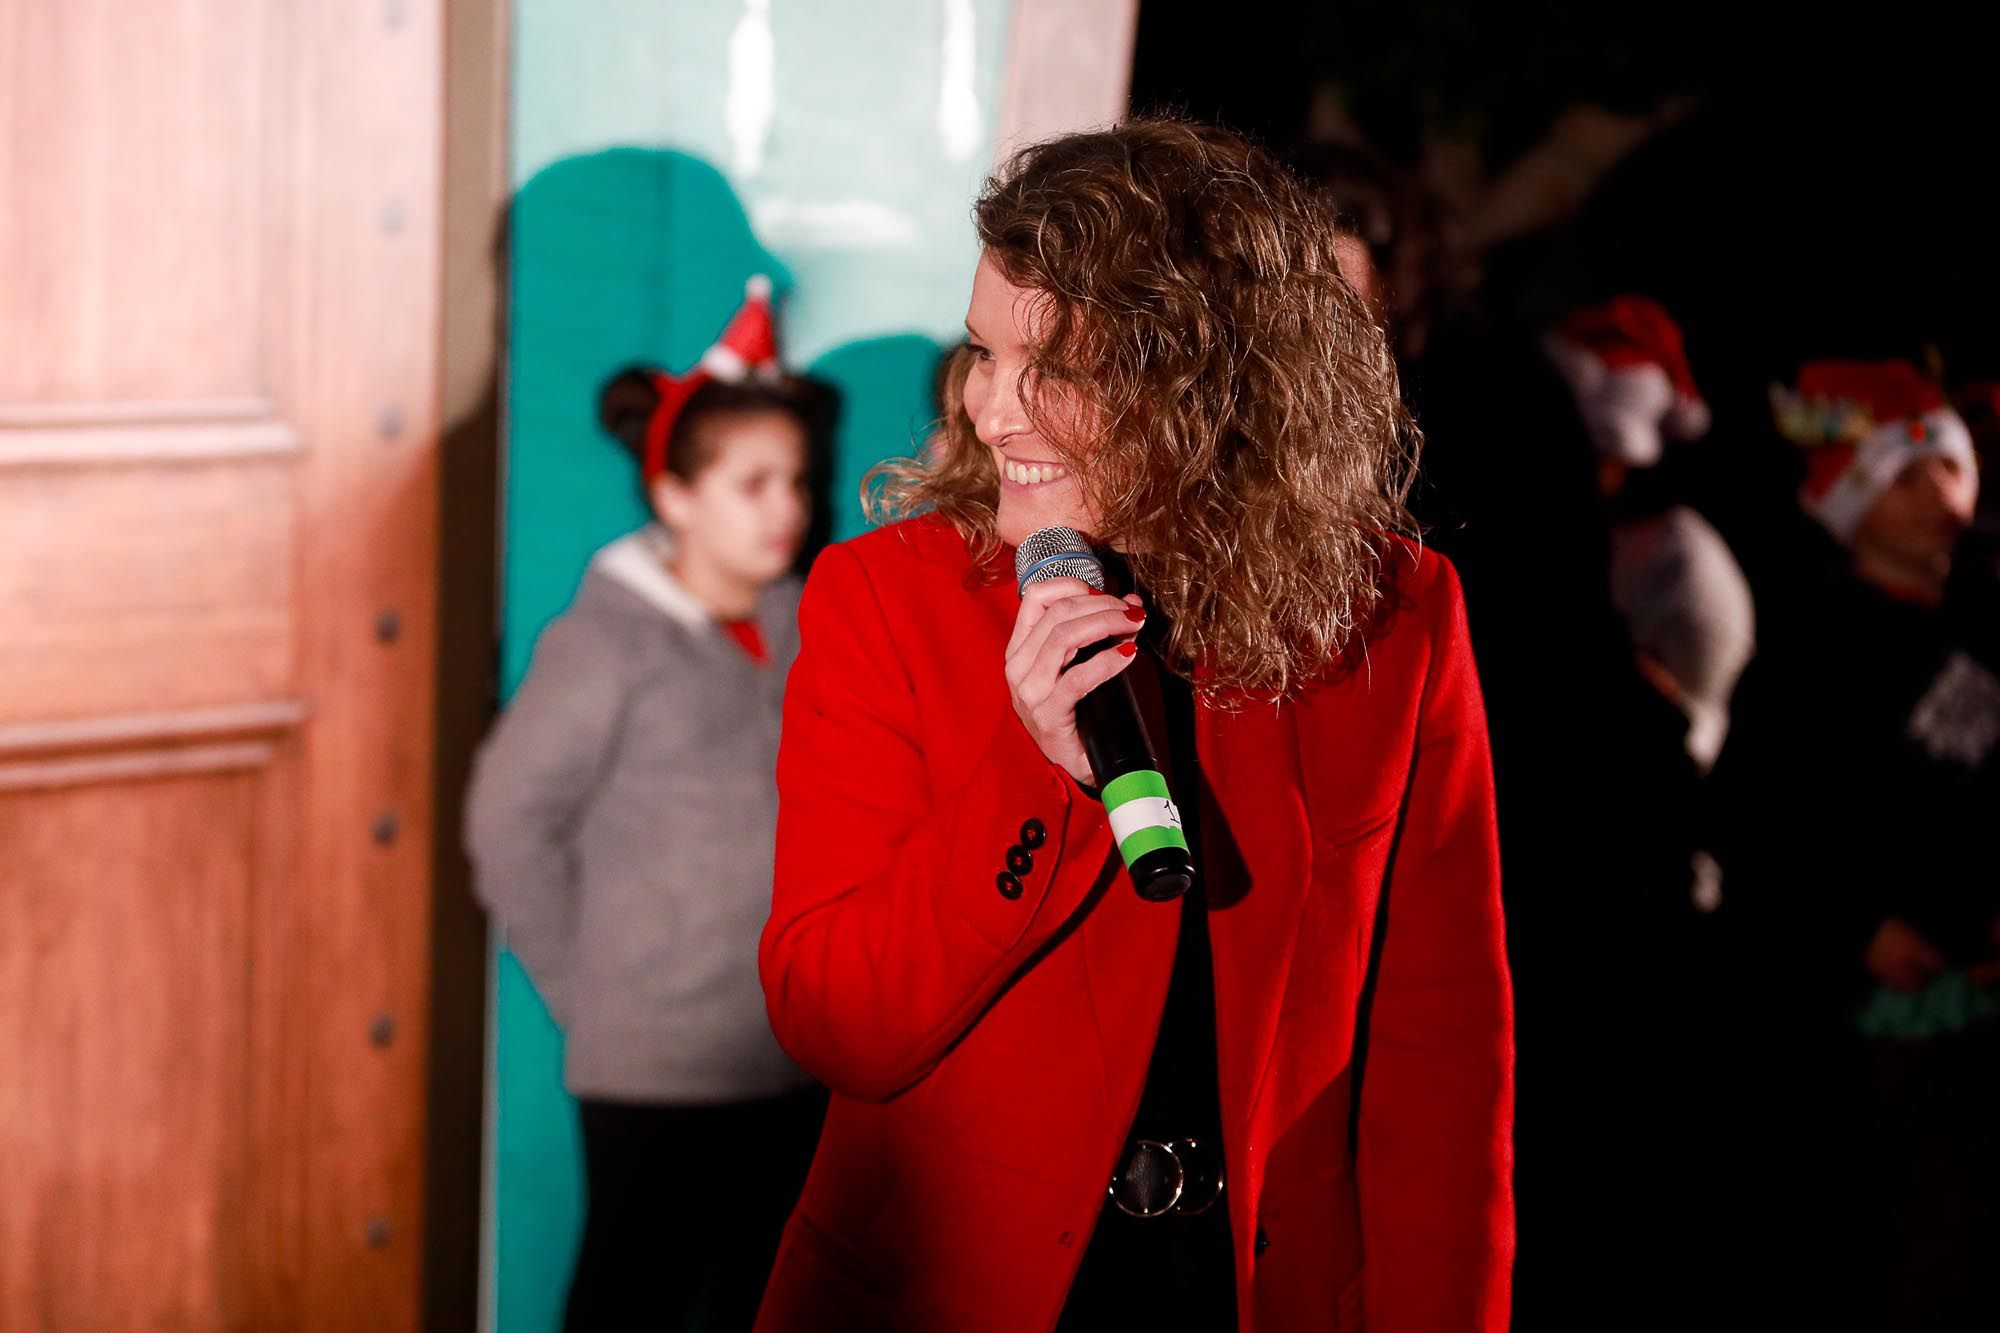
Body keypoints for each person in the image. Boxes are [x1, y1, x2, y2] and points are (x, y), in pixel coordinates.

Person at [754, 120, 1513, 1333]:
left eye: (1046, 367)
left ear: (1201, 383)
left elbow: (1442, 1056)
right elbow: (834, 1021)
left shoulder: (1398, 618)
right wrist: (1036, 773)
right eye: (980, 353)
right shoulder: (886, 600)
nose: (991, 409)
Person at [465, 279, 829, 1331]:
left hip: (794, 1053)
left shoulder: (807, 622)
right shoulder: (604, 643)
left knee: (771, 1297)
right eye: (751, 484)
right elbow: (506, 817)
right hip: (656, 1064)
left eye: (795, 481)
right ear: (673, 495)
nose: (786, 508)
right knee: (634, 1294)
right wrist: (593, 993)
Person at [1711, 358, 2000, 1331]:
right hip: (1860, 1015)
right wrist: (1854, 928)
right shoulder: (1808, 646)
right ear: (1847, 500)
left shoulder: (1982, 620)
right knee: (1888, 1244)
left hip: (1975, 986)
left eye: (1946, 470)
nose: (1936, 497)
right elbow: (1757, 820)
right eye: (1901, 478)